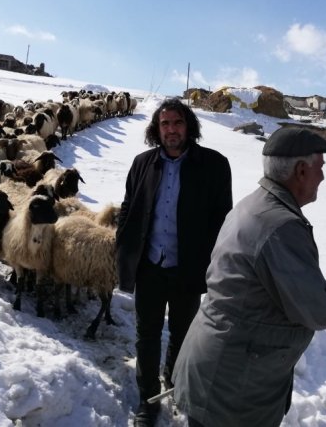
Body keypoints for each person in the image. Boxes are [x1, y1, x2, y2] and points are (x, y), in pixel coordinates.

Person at [172, 126, 326, 427]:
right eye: (320, 168)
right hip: (233, 386)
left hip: (221, 370)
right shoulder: (280, 226)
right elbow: (317, 309)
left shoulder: (254, 204)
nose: (323, 177)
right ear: (301, 170)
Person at [116, 98, 233, 427]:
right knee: (147, 335)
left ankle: (174, 381)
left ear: (189, 126)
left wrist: (216, 268)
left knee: (183, 335)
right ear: (157, 128)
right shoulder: (142, 163)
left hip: (188, 269)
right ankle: (147, 400)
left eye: (177, 123)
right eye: (165, 124)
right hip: (150, 267)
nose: (171, 130)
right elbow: (129, 208)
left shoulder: (214, 165)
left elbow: (222, 220)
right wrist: (124, 251)